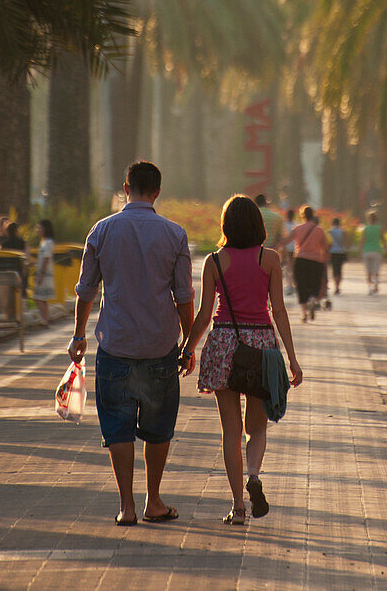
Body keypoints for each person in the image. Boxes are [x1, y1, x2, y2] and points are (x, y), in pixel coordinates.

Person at [68, 160, 195, 527]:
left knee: (117, 427)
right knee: (158, 428)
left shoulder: (102, 230)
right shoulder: (175, 234)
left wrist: (78, 336)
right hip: (160, 348)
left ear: (126, 188)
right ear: (157, 192)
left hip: (115, 346)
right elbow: (184, 295)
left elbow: (86, 290)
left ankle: (126, 506)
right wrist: (188, 343)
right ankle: (153, 500)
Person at [180, 194, 302, 525]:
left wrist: (187, 347)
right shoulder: (270, 259)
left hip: (223, 345)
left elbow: (205, 314)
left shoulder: (214, 261)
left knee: (230, 431)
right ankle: (255, 474)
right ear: (259, 225)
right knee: (256, 428)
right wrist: (292, 358)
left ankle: (237, 507)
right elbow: (278, 310)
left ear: (226, 225)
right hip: (261, 346)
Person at [286, 205, 328, 322]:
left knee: (301, 286)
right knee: (315, 284)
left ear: (302, 216)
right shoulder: (319, 230)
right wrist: (324, 262)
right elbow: (325, 248)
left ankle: (304, 313)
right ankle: (313, 302)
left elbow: (286, 241)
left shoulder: (297, 229)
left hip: (301, 260)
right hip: (316, 261)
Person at [33, 219, 55, 326]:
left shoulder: (48, 243)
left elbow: (46, 259)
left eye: (39, 228)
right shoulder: (42, 242)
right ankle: (45, 319)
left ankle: (44, 319)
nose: (37, 230)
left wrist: (41, 274)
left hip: (44, 274)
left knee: (39, 297)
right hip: (40, 272)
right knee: (42, 298)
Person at [0, 219, 29, 295]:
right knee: (21, 294)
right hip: (19, 271)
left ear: (7, 231)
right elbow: (27, 257)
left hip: (7, 272)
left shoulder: (2, 244)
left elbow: (0, 258)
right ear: (16, 231)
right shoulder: (23, 243)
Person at [359, 209, 383, 294]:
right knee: (376, 271)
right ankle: (376, 286)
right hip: (376, 250)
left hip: (367, 251)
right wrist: (386, 248)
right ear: (376, 219)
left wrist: (360, 252)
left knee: (368, 272)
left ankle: (369, 288)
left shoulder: (365, 229)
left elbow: (362, 241)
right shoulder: (379, 228)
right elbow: (383, 240)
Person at [328, 218, 347, 295]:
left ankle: (336, 286)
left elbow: (328, 243)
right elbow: (346, 242)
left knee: (334, 269)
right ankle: (338, 286)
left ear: (332, 223)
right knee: (339, 269)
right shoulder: (343, 232)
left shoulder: (330, 232)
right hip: (341, 252)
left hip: (332, 252)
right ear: (339, 223)